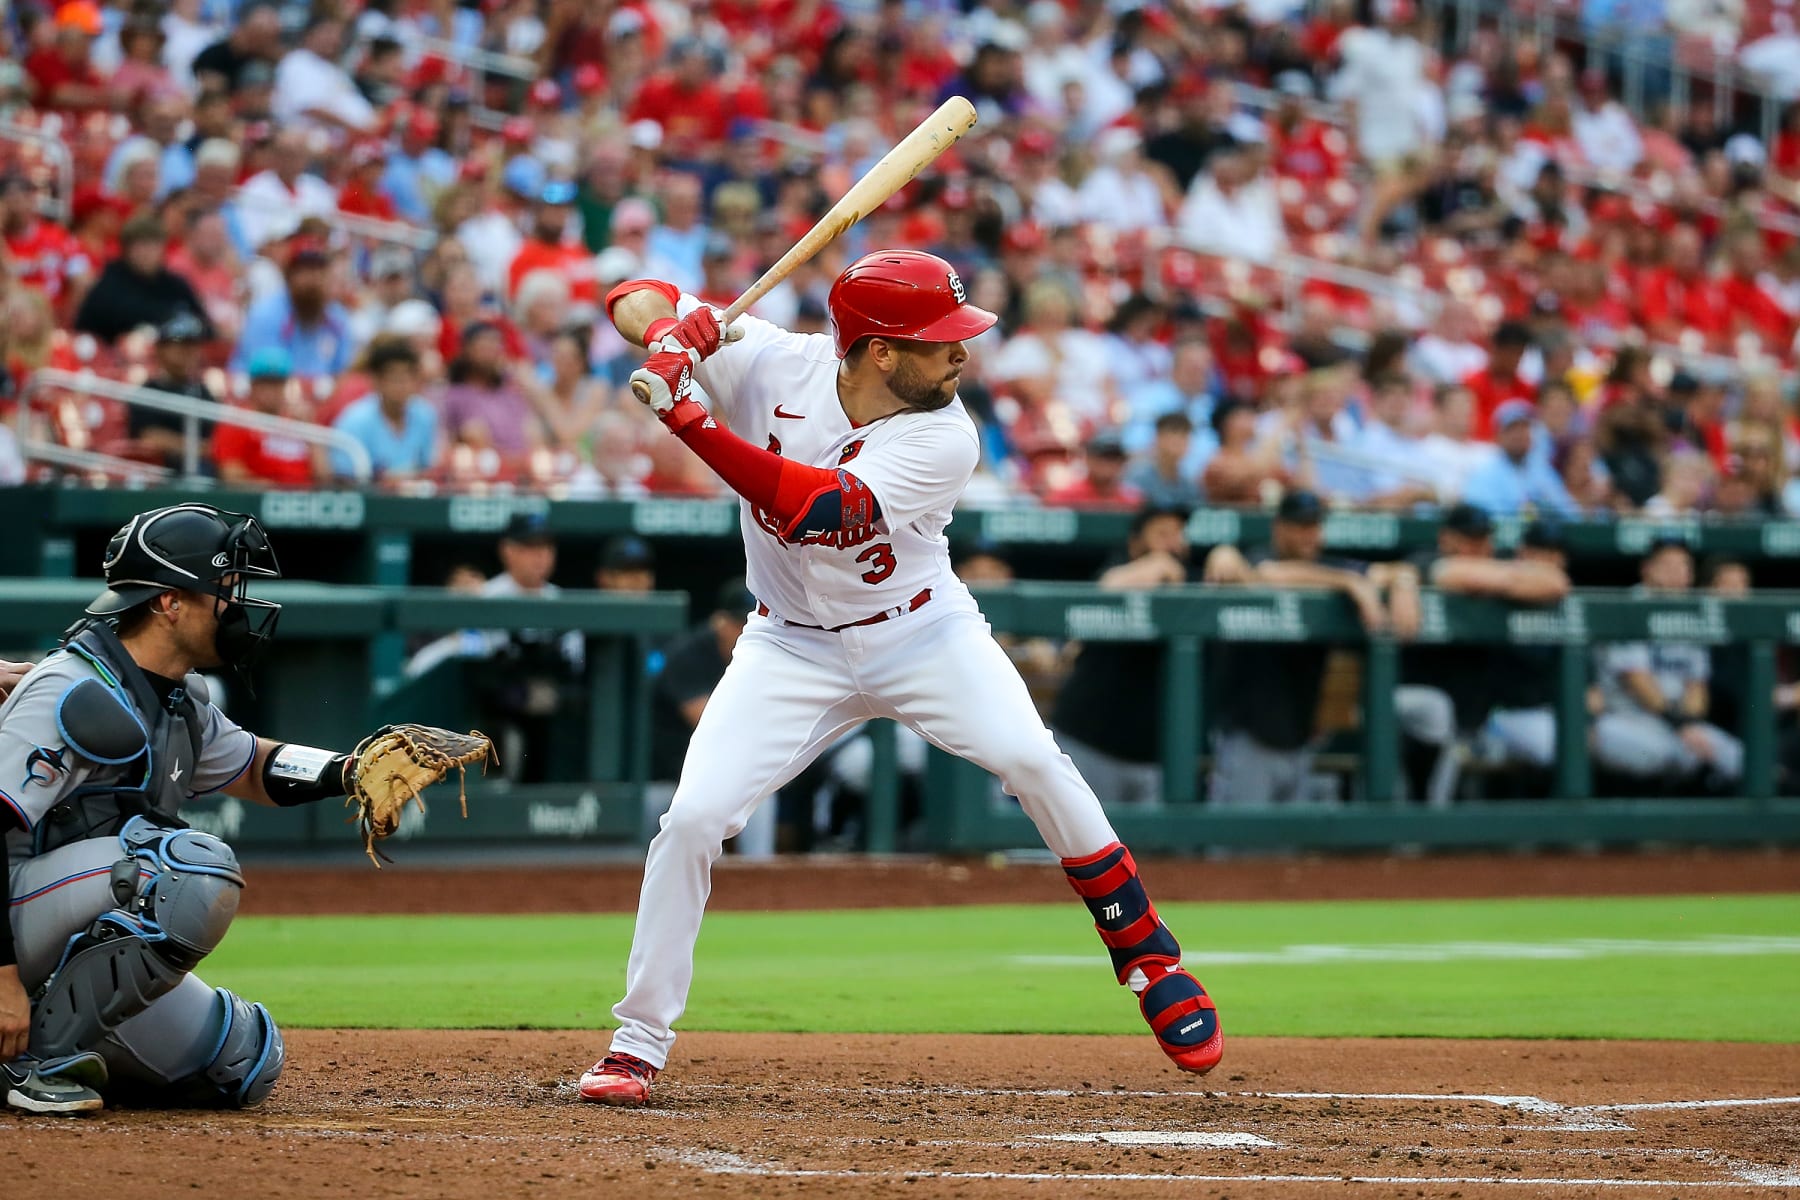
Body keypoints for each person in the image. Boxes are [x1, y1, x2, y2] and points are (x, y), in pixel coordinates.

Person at [581, 250, 1223, 1106]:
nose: (963, 355)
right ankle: (637, 1040)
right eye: (940, 341)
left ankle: (1145, 952)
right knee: (692, 819)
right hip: (789, 645)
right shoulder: (772, 358)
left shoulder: (947, 434)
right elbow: (630, 294)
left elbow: (813, 510)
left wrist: (689, 415)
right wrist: (671, 330)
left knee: (1032, 759)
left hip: (920, 631)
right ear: (879, 350)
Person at [0, 504, 390, 1115]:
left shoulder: (174, 698)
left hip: (61, 925)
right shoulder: (71, 689)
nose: (238, 605)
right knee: (184, 870)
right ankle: (26, 1062)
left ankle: (65, 1041)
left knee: (241, 1060)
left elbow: (255, 766)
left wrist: (355, 770)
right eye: (225, 589)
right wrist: (1, 982)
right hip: (14, 918)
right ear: (168, 603)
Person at [1203, 490, 1407, 806]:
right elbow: (1269, 574)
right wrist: (1350, 583)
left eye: (1314, 526)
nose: (1309, 535)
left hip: (1299, 739)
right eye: (1300, 526)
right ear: (1279, 528)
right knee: (1236, 848)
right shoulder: (1257, 557)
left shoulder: (1328, 567)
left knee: (1288, 851)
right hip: (1247, 736)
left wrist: (1403, 583)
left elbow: (1391, 571)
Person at [1397, 503, 1571, 807]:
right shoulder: (1422, 561)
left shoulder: (1496, 564)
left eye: (1483, 538)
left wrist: (1495, 580)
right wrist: (1501, 581)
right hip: (1415, 724)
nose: (1478, 546)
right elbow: (1450, 573)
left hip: (1477, 723)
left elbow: (1555, 582)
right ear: (1446, 539)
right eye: (1468, 539)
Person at [1049, 505, 1196, 809]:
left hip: (1154, 757)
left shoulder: (1190, 581)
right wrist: (1154, 566)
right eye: (1162, 534)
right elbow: (1107, 585)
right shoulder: (1117, 569)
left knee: (1153, 855)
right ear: (1135, 543)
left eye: (1178, 534)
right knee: (1082, 847)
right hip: (1090, 744)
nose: (1173, 543)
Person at [1592, 540, 1744, 789]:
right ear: (1647, 569)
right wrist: (1682, 727)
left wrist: (1690, 723)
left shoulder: (1691, 611)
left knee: (1741, 761)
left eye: (1684, 566)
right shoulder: (1627, 608)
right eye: (1668, 565)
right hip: (1623, 718)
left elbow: (1697, 688)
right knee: (1663, 753)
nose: (1678, 573)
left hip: (1675, 723)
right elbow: (1637, 683)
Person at [474, 513, 585, 784]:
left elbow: (574, 665)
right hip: (495, 712)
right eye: (530, 547)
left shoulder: (562, 602)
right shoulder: (485, 598)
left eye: (546, 548)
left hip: (550, 714)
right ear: (507, 550)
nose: (540, 556)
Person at [329, 337, 440, 483]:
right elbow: (342, 479)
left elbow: (427, 468)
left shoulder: (425, 415)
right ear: (376, 381)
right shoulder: (354, 420)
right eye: (395, 379)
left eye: (408, 378)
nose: (402, 386)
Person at [212, 348, 317, 488]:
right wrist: (277, 490)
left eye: (277, 383)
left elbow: (323, 475)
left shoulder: (298, 420)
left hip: (306, 499)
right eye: (265, 382)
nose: (271, 390)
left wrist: (311, 432)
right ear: (252, 384)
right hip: (260, 503)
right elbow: (232, 476)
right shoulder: (237, 422)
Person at [1460, 399, 1581, 516]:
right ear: (1498, 435)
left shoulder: (1542, 471)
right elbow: (1484, 521)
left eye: (1525, 428)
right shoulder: (1484, 474)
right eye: (1512, 429)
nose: (1520, 434)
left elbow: (1570, 515)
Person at [136, 311, 219, 469]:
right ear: (161, 348)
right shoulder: (149, 390)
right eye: (181, 343)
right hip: (161, 475)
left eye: (193, 344)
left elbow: (217, 439)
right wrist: (197, 448)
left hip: (202, 471)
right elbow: (149, 437)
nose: (189, 351)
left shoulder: (201, 391)